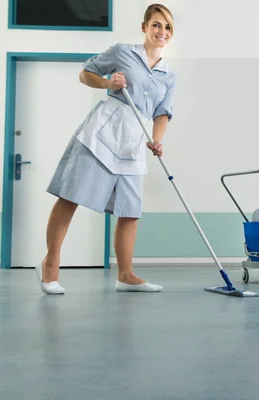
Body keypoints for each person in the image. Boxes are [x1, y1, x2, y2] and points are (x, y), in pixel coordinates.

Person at [34, 3, 176, 295]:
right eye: (157, 25)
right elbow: (85, 74)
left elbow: (162, 113)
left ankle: (126, 275)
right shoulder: (123, 51)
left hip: (136, 138)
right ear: (144, 27)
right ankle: (50, 264)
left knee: (130, 210)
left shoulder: (168, 76)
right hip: (104, 132)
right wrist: (107, 82)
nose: (162, 32)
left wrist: (156, 138)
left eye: (167, 27)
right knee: (70, 195)